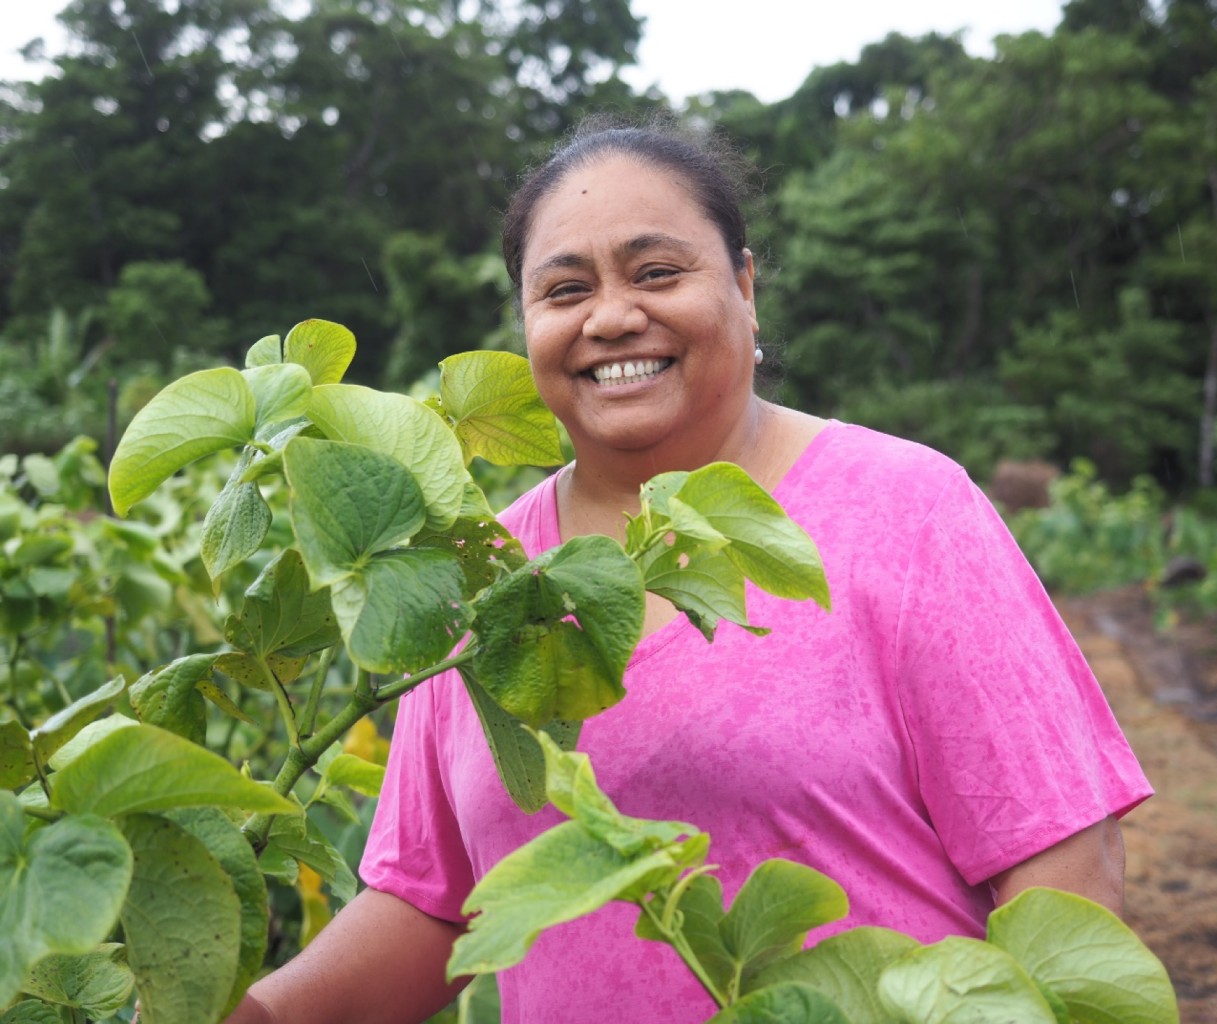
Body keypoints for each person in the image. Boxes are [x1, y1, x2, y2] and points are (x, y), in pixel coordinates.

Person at [226, 117, 1152, 1024]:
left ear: (745, 287)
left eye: (657, 272)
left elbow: (1060, 868)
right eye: (563, 290)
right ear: (526, 324)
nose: (614, 316)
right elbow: (432, 911)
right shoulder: (474, 569)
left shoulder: (907, 509)